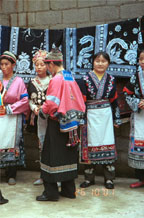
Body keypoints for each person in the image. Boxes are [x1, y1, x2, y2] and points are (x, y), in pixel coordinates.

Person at [36, 48, 85, 201]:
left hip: (57, 123)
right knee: (68, 156)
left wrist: (41, 112)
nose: (47, 69)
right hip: (72, 124)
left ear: (51, 64)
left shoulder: (56, 79)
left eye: (47, 65)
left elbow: (51, 103)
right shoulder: (69, 76)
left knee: (50, 156)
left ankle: (51, 193)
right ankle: (69, 190)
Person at [77, 51, 121, 189]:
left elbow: (114, 100)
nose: (100, 64)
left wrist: (116, 118)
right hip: (90, 115)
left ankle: (109, 179)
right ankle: (89, 178)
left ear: (108, 63)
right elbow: (81, 101)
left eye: (103, 61)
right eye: (97, 61)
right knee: (89, 144)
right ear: (93, 62)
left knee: (107, 142)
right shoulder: (84, 79)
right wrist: (82, 119)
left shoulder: (111, 79)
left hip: (106, 116)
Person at [0, 51, 29, 185]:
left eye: (6, 64)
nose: (3, 67)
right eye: (1, 64)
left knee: (12, 143)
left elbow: (25, 101)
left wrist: (8, 109)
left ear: (13, 65)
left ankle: (11, 173)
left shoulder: (19, 82)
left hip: (12, 117)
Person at [27, 50, 51, 185]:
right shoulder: (32, 82)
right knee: (42, 145)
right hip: (39, 118)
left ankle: (54, 175)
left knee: (52, 145)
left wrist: (46, 108)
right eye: (37, 65)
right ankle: (43, 175)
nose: (39, 67)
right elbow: (30, 100)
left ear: (47, 65)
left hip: (52, 117)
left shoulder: (52, 81)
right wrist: (34, 108)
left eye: (42, 64)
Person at [123, 48, 144, 188]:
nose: (142, 62)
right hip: (140, 116)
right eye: (140, 59)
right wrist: (137, 102)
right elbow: (127, 94)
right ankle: (142, 178)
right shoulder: (136, 76)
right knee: (140, 142)